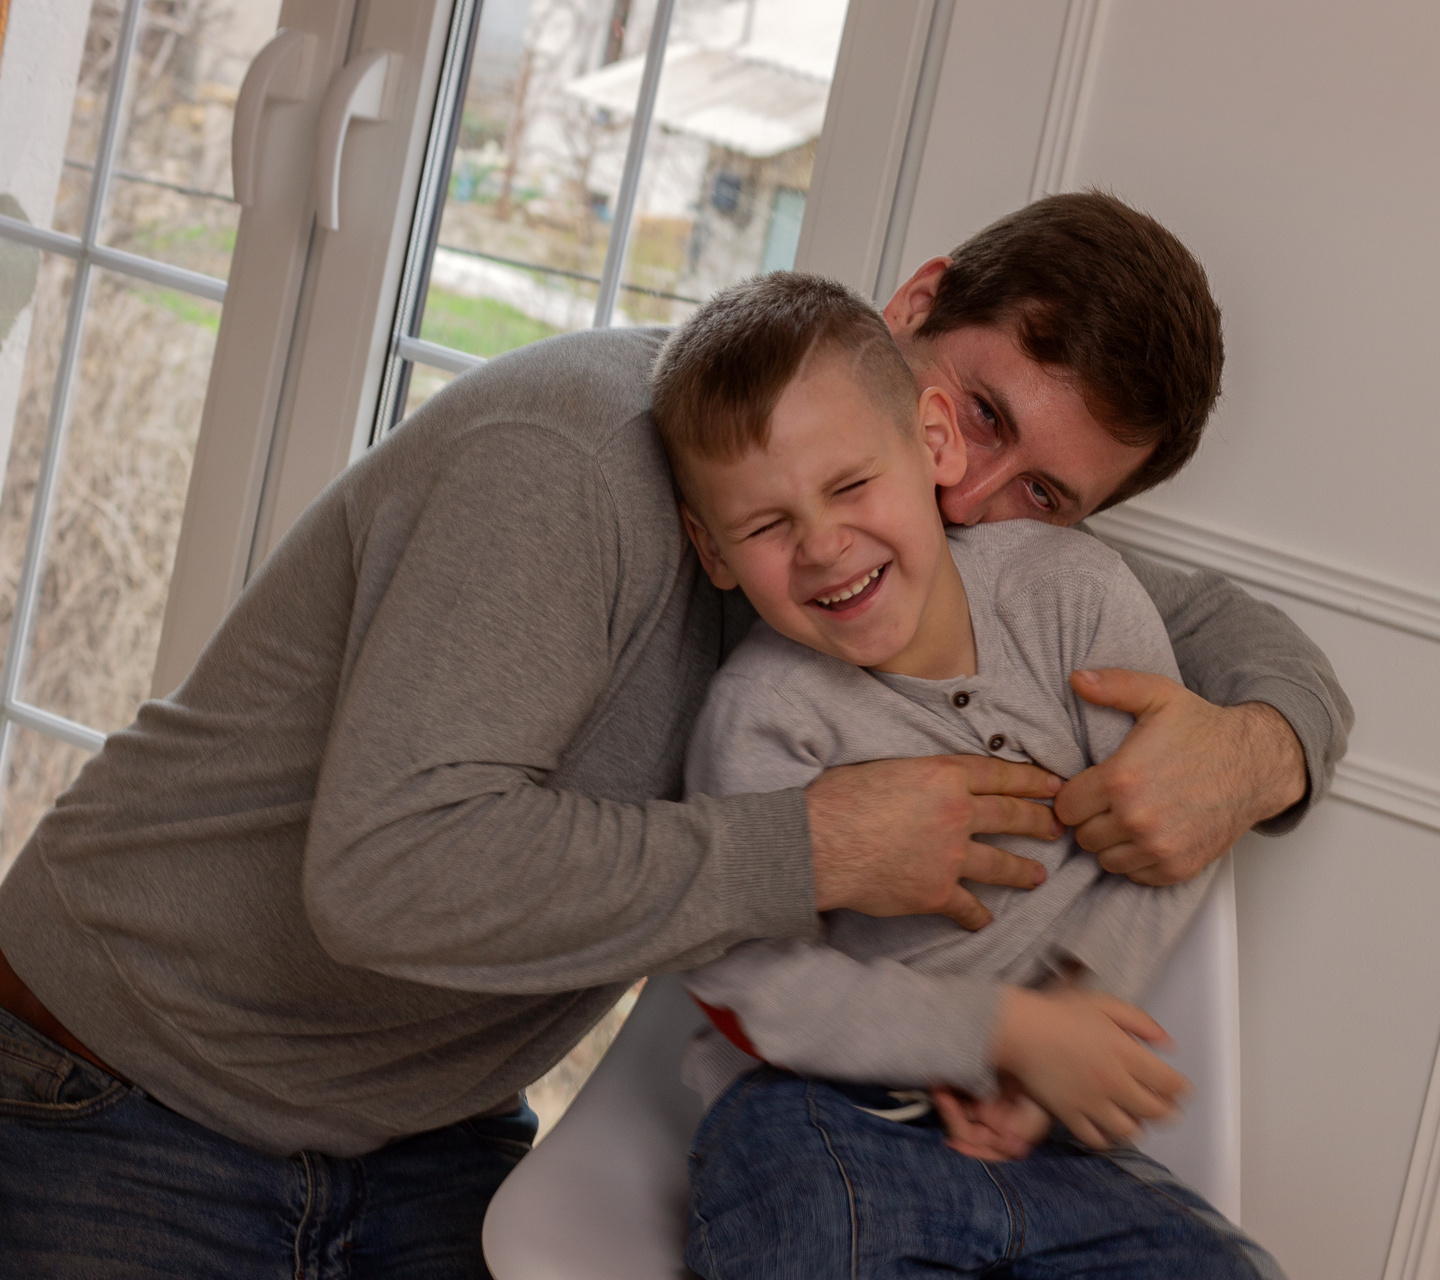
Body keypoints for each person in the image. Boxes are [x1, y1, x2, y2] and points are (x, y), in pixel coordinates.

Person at [0, 192, 1348, 1277]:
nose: (966, 491)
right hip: (121, 1083)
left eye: (1045, 494)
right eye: (980, 414)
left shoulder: (962, 539)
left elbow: (1225, 625)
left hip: (422, 1132)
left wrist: (1255, 750)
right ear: (916, 307)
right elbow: (384, 874)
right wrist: (811, 849)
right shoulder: (575, 463)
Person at [661, 272, 1281, 1279]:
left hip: (1048, 1134)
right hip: (819, 1109)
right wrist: (1003, 1029)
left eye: (850, 486)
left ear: (931, 442)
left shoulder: (1071, 596)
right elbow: (747, 979)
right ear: (714, 550)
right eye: (766, 525)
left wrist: (1072, 1018)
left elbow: (1176, 819)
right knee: (828, 1243)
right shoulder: (764, 714)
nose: (823, 545)